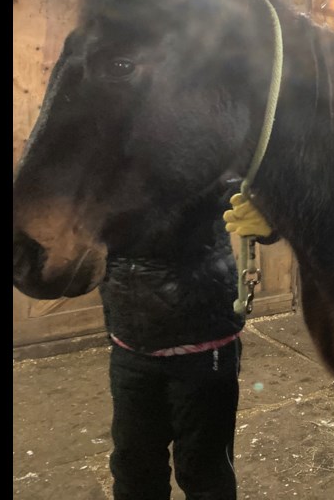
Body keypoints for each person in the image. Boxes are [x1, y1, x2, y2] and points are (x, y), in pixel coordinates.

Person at [100, 180, 245, 500]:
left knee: (205, 469)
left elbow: (248, 193)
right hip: (132, 343)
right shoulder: (108, 157)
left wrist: (265, 219)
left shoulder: (203, 146)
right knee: (134, 468)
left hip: (204, 343)